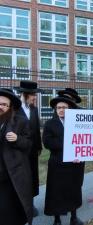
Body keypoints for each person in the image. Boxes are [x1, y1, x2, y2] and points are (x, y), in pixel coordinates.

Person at [43, 94, 84, 225]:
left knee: (74, 191)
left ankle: (74, 217)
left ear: (69, 108)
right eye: (58, 107)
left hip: (75, 164)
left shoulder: (78, 123)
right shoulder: (49, 124)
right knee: (56, 192)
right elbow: (48, 142)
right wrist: (69, 143)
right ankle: (57, 219)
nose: (61, 110)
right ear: (55, 109)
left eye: (64, 107)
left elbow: (84, 141)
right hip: (58, 164)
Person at [0, 88, 33, 225]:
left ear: (10, 107)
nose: (0, 107)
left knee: (11, 212)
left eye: (4, 105)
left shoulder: (20, 122)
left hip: (12, 176)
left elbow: (29, 144)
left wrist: (17, 139)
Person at [14, 81, 43, 216]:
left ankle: (30, 204)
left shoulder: (34, 109)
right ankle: (20, 206)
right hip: (19, 151)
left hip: (32, 152)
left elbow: (36, 129)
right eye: (33, 95)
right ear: (25, 94)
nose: (35, 97)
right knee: (21, 178)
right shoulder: (14, 109)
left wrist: (38, 146)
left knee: (32, 178)